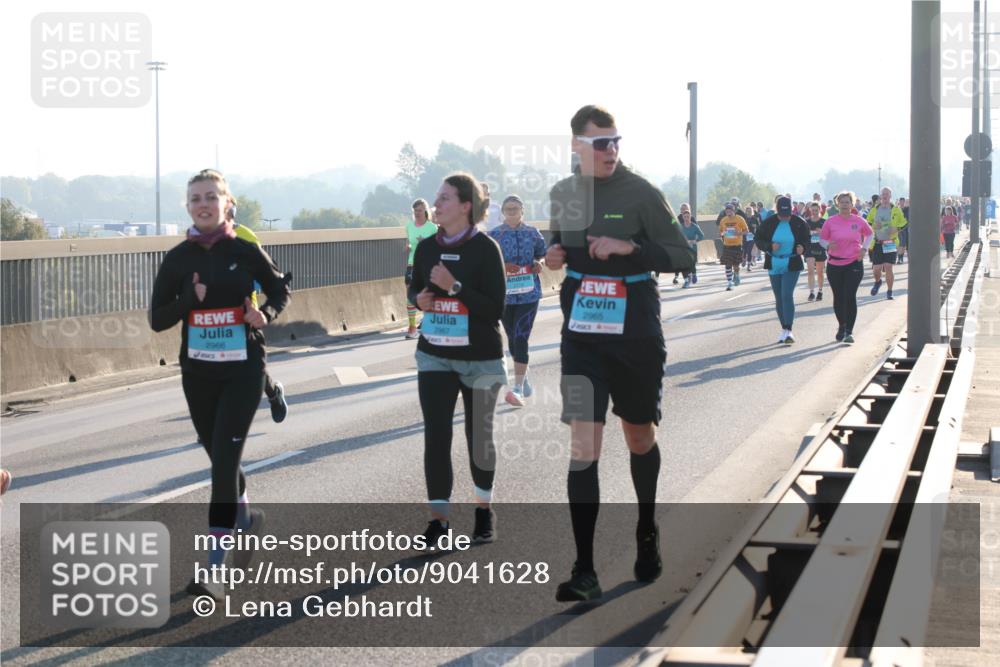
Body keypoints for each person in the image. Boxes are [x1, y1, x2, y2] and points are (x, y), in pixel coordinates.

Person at [545, 104, 694, 601]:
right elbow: (559, 243)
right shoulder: (564, 193)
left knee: (638, 438)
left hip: (634, 333)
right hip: (583, 333)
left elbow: (684, 255)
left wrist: (629, 248)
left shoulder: (642, 193)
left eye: (616, 142)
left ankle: (647, 529)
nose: (611, 151)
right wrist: (554, 253)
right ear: (576, 147)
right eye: (600, 143)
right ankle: (584, 569)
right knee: (584, 448)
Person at [150, 169, 290, 600]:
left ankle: (215, 568)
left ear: (227, 203)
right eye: (195, 198)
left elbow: (280, 290)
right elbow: (158, 319)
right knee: (216, 451)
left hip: (244, 367)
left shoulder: (245, 250)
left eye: (211, 196)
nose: (203, 204)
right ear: (188, 207)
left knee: (223, 465)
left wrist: (264, 313)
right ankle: (245, 518)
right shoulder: (177, 258)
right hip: (198, 371)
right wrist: (190, 300)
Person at [409, 173, 506, 546]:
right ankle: (439, 521)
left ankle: (483, 512)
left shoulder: (485, 249)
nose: (436, 204)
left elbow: (494, 310)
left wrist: (455, 287)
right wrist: (419, 299)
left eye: (444, 198)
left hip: (479, 358)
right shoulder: (427, 248)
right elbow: (414, 288)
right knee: (436, 437)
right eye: (437, 197)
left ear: (466, 206)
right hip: (435, 353)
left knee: (478, 438)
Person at [231, 213, 290, 423]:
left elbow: (262, 275)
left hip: (245, 314)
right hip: (213, 319)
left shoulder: (246, 235)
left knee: (253, 370)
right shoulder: (198, 240)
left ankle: (273, 394)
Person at [488, 195, 547, 407]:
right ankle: (524, 376)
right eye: (508, 209)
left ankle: (518, 387)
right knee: (512, 338)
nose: (512, 212)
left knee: (521, 337)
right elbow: (486, 265)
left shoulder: (533, 233)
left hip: (529, 294)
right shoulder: (493, 235)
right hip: (504, 295)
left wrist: (538, 263)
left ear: (522, 211)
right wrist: (503, 267)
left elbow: (542, 255)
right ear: (503, 212)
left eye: (515, 208)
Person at [755, 196, 811, 344]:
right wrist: (769, 246)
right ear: (777, 210)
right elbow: (758, 239)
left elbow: (808, 239)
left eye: (787, 215)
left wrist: (803, 248)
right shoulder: (769, 223)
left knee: (787, 294)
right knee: (779, 297)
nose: (785, 218)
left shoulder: (799, 223)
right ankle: (784, 329)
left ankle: (789, 330)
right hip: (774, 262)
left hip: (792, 262)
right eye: (781, 215)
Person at [820, 190, 873, 344]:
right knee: (838, 297)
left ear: (852, 204)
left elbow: (870, 234)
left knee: (849, 296)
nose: (844, 205)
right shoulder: (830, 221)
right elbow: (822, 240)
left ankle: (849, 331)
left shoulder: (859, 221)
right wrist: (828, 244)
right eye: (842, 202)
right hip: (835, 264)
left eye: (847, 202)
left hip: (854, 262)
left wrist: (864, 249)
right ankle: (842, 326)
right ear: (837, 204)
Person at [405, 199, 439, 339]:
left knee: (427, 294)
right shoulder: (409, 226)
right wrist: (409, 247)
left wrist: (424, 244)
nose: (417, 213)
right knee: (409, 295)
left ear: (425, 211)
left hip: (427, 264)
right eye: (414, 211)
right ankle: (412, 328)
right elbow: (408, 242)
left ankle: (427, 322)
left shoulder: (432, 228)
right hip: (412, 263)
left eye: (419, 210)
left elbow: (437, 247)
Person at [866, 187, 907, 300]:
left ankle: (889, 291)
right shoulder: (875, 209)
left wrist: (896, 229)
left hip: (890, 242)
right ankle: (878, 282)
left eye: (887, 194)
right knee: (876, 269)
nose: (884, 196)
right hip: (878, 242)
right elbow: (868, 222)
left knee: (888, 267)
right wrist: (874, 226)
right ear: (880, 196)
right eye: (883, 194)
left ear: (890, 196)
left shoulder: (896, 209)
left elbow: (904, 224)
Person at [718, 203, 749, 290]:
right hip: (727, 245)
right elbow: (720, 232)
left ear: (733, 211)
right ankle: (729, 282)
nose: (728, 212)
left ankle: (736, 274)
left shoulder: (739, 219)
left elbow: (746, 231)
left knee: (735, 265)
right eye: (727, 210)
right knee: (727, 265)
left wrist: (739, 233)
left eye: (730, 210)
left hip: (737, 245)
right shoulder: (723, 220)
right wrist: (722, 234)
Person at [804, 202, 827, 301]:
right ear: (810, 210)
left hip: (820, 248)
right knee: (810, 271)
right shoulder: (806, 222)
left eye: (816, 210)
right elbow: (803, 236)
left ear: (820, 210)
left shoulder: (824, 222)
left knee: (820, 272)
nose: (814, 212)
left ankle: (820, 291)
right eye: (812, 210)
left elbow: (829, 236)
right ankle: (811, 292)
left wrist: (822, 233)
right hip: (810, 248)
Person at [678, 203, 704, 287]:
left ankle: (693, 274)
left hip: (692, 248)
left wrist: (694, 240)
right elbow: (672, 224)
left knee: (692, 264)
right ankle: (686, 280)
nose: (686, 218)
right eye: (682, 209)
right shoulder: (677, 219)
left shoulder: (693, 221)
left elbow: (701, 234)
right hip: (683, 248)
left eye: (685, 209)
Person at [742, 203, 759, 271]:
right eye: (747, 211)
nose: (748, 212)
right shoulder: (743, 219)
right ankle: (744, 259)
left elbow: (758, 226)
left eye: (750, 211)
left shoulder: (754, 218)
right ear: (745, 212)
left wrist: (755, 227)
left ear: (752, 211)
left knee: (749, 251)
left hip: (751, 236)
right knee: (745, 250)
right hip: (744, 236)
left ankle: (748, 265)